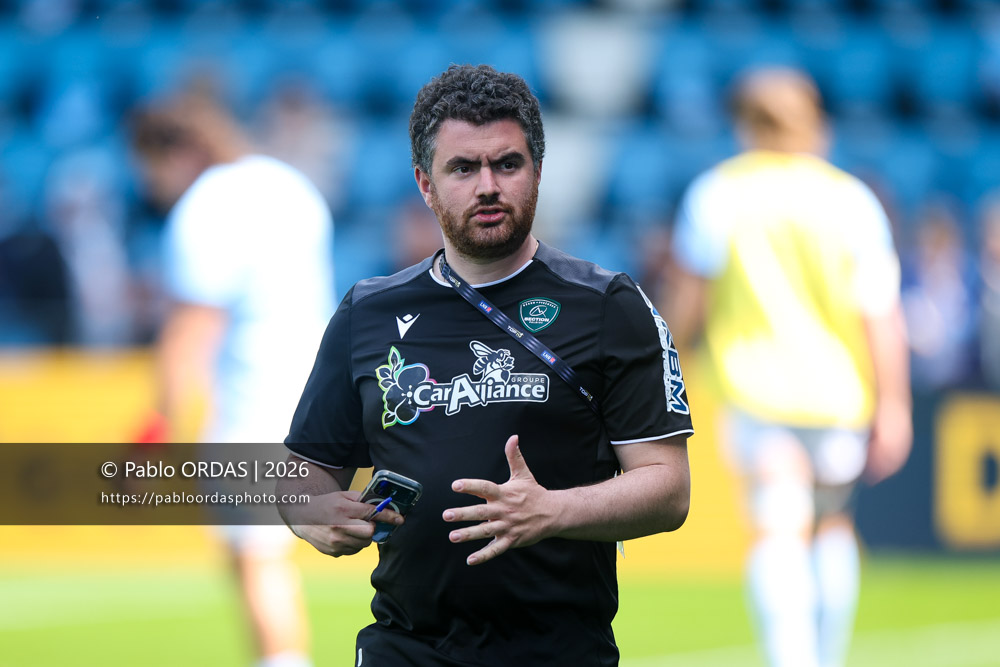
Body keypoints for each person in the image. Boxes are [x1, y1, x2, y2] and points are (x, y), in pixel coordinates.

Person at [277, 64, 692, 666]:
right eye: (463, 168)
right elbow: (303, 470)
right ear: (425, 183)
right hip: (405, 646)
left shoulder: (608, 306)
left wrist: (552, 512)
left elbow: (669, 489)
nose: (488, 186)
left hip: (557, 651)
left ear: (538, 172)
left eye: (507, 164)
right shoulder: (368, 311)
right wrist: (310, 513)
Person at [665, 67, 912, 667]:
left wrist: (660, 376)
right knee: (829, 527)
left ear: (745, 123)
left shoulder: (718, 194)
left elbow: (684, 307)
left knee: (777, 530)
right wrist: (895, 405)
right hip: (837, 394)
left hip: (757, 391)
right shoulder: (851, 200)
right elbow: (880, 314)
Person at [130, 89, 335, 667]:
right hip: (317, 392)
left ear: (173, 154)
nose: (150, 187)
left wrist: (156, 430)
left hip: (253, 397)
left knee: (253, 557)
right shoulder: (288, 185)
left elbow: (192, 333)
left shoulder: (207, 207)